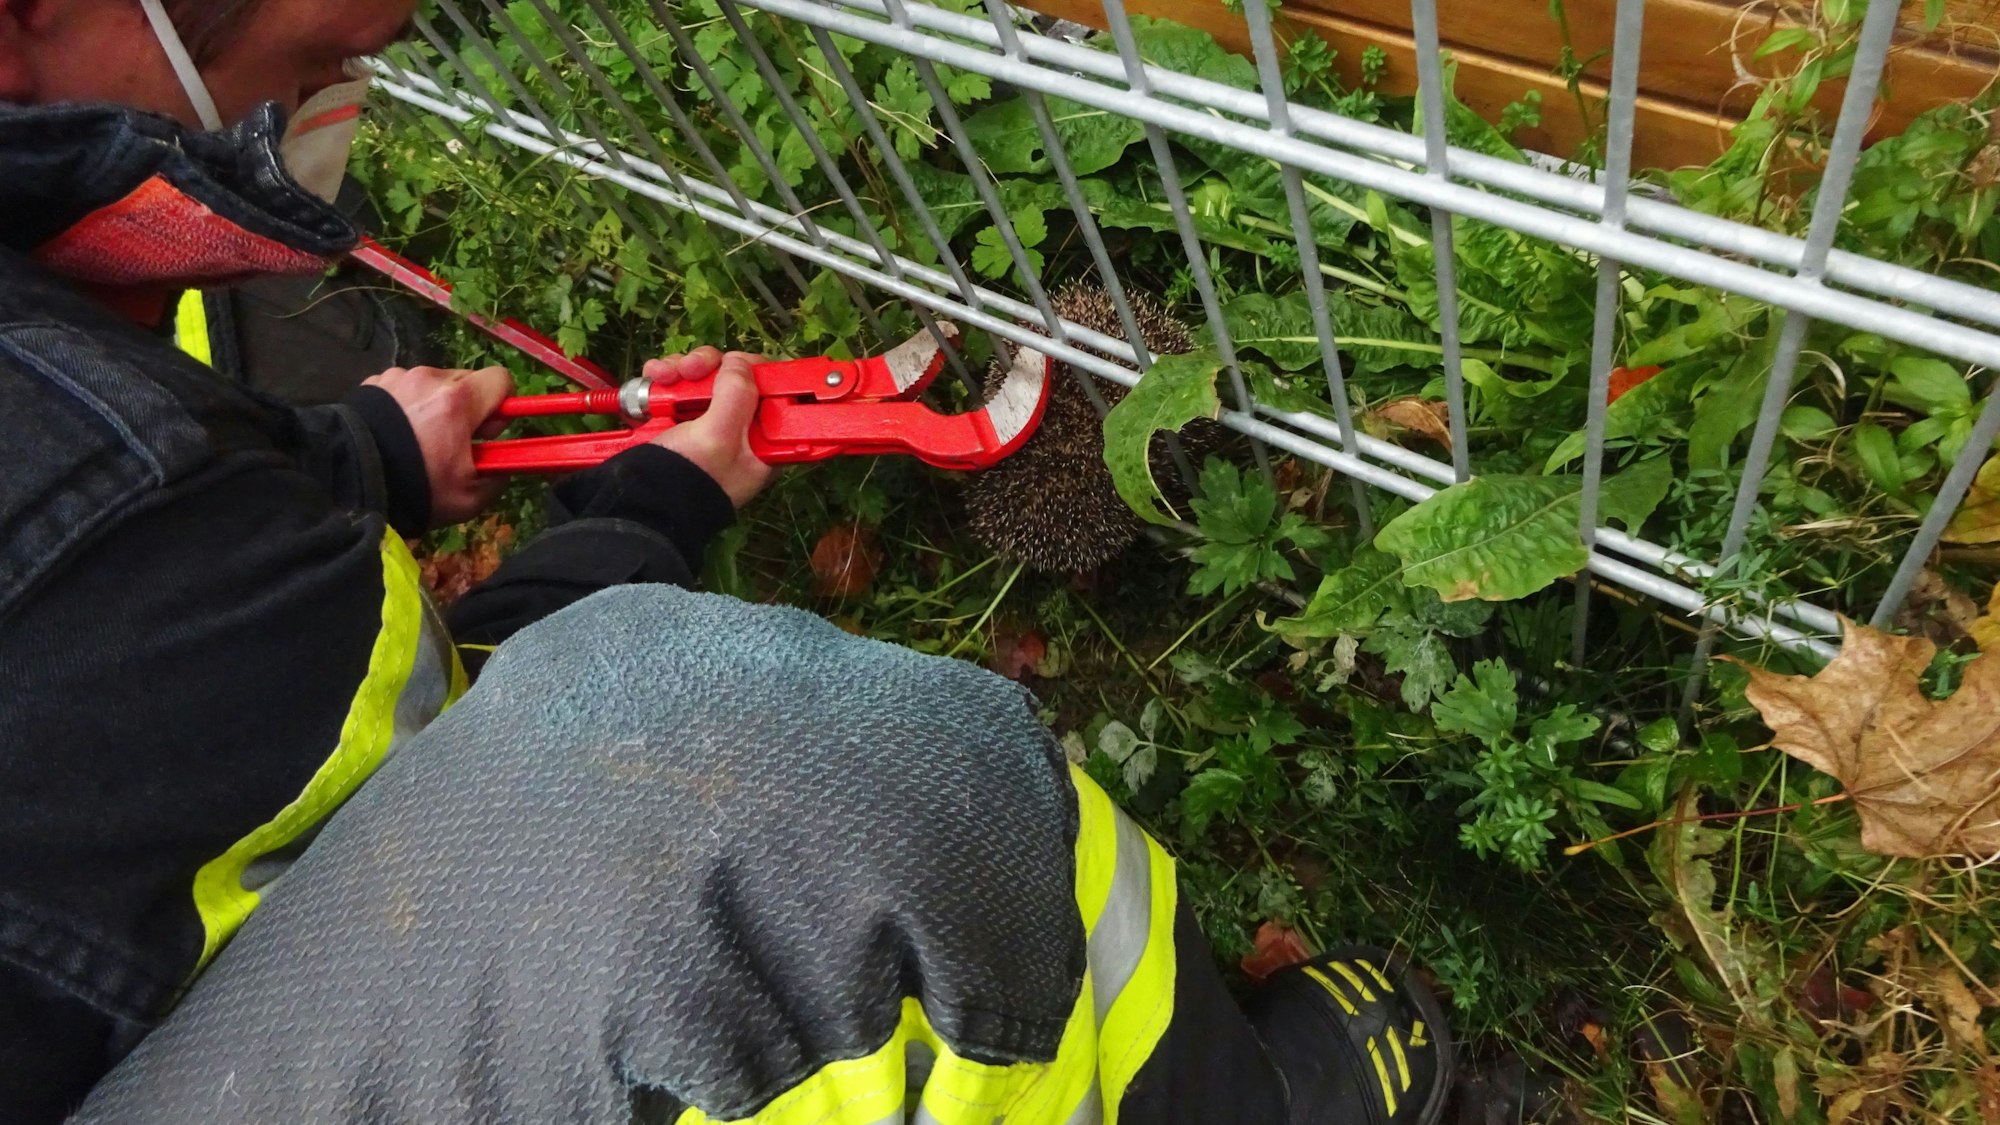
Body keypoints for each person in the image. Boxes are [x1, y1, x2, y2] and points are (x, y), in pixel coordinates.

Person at [0, 1, 1453, 1122]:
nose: (336, 118)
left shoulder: (91, 411)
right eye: (326, 59)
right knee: (782, 789)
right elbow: (467, 807)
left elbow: (134, 463)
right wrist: (647, 506)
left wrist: (357, 457)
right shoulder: (129, 531)